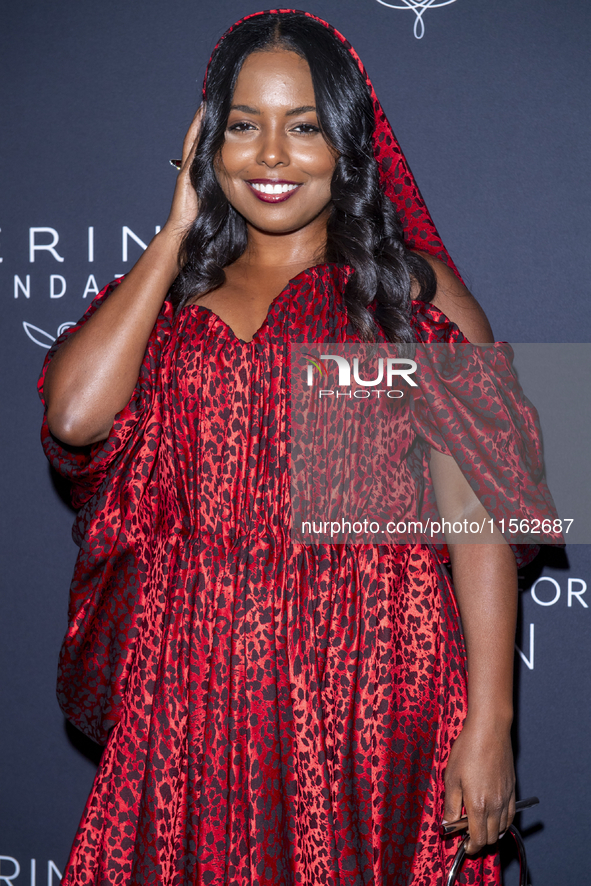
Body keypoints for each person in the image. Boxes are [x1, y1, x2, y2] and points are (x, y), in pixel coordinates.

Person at [40, 10, 549, 885]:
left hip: (368, 680)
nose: (271, 155)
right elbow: (76, 418)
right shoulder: (163, 297)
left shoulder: (409, 290)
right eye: (243, 126)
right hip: (192, 679)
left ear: (348, 144)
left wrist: (490, 723)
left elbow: (479, 512)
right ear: (208, 143)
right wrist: (172, 235)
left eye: (304, 126)